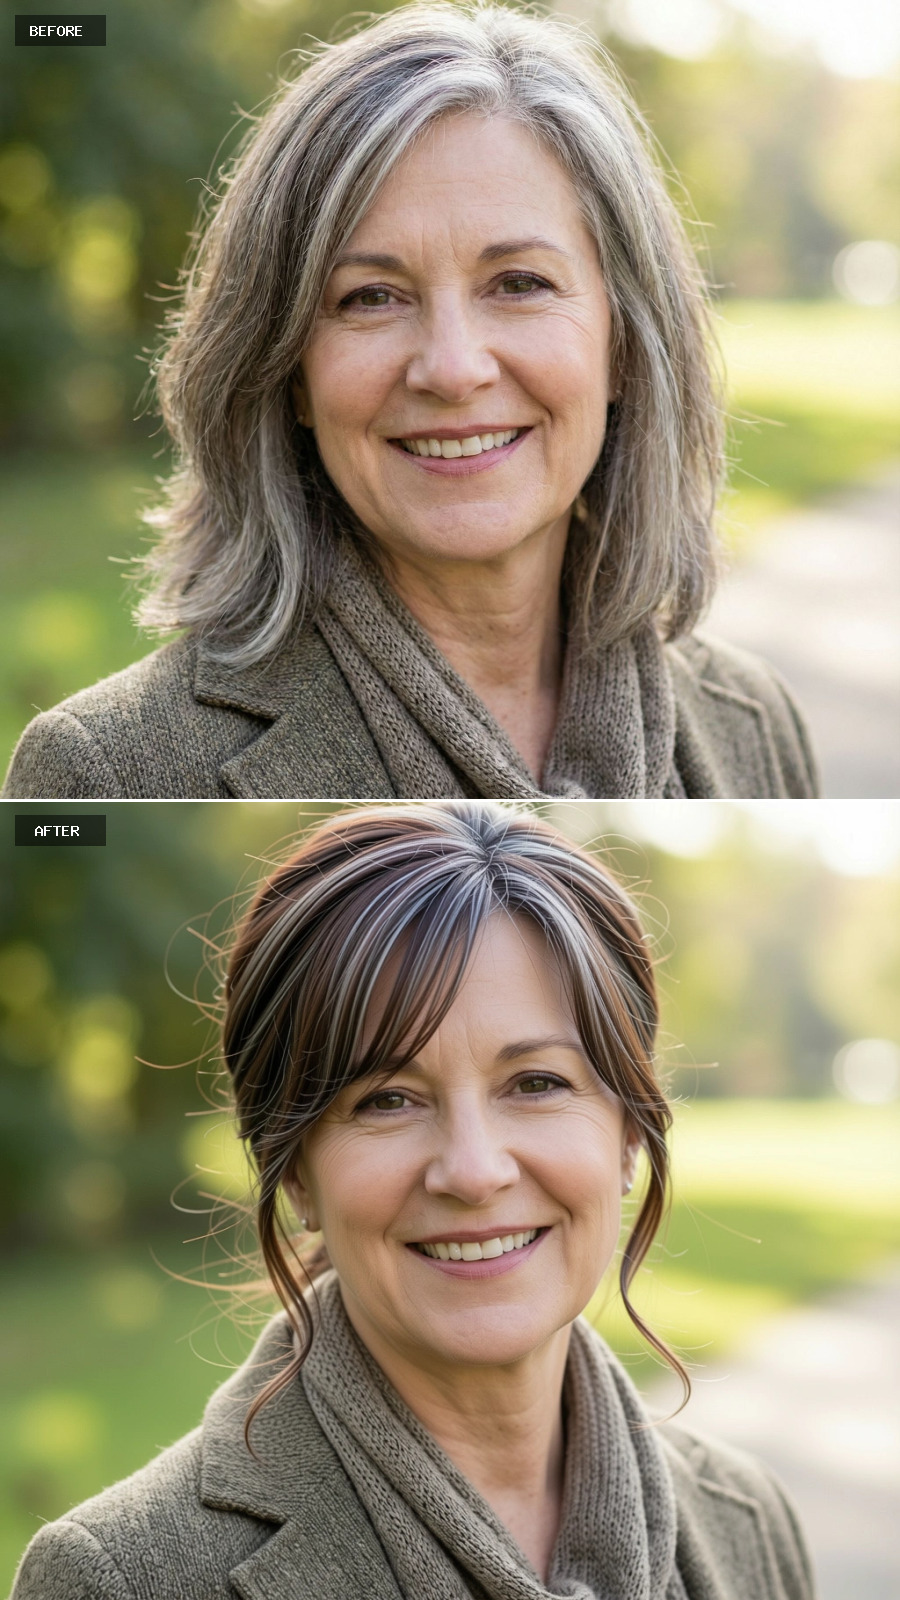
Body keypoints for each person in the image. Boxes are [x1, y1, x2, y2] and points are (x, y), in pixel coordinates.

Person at [3, 4, 817, 802]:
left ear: (627, 346)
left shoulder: (754, 721)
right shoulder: (105, 770)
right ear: (288, 372)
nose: (453, 368)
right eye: (371, 298)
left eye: (520, 283)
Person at [12, 803, 817, 1599]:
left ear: (629, 1135)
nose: (471, 1171)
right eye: (387, 1099)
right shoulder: (119, 1579)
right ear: (293, 1172)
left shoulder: (747, 1523)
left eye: (536, 1084)